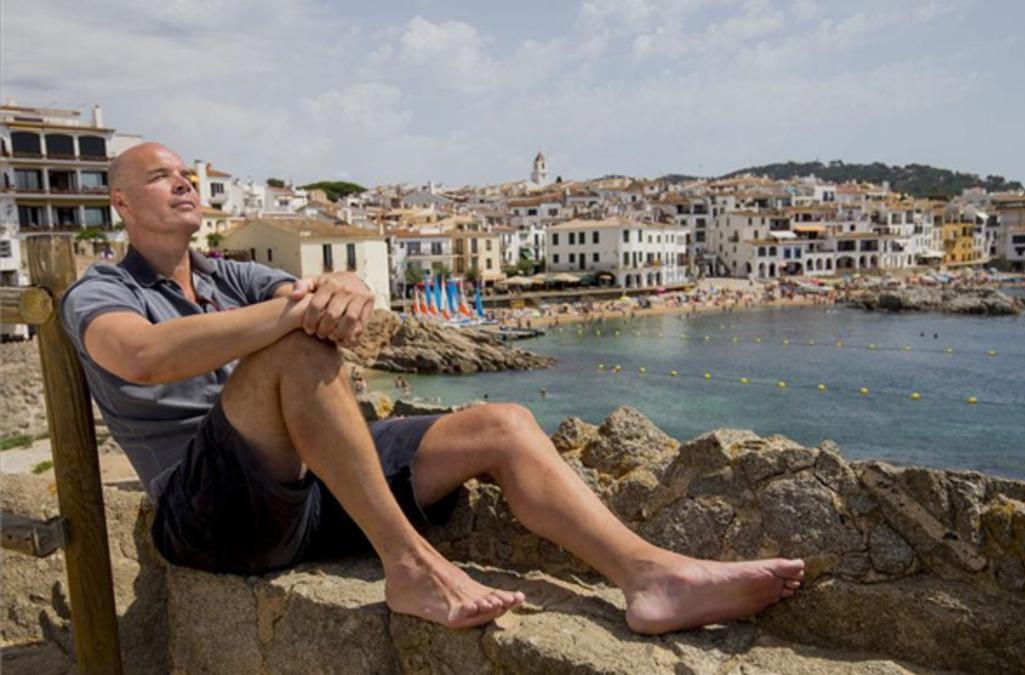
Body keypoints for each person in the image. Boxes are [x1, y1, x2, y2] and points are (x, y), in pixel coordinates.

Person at [61, 143, 804, 634]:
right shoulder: (100, 292)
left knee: (504, 422)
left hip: (310, 492)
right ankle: (409, 566)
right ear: (121, 204)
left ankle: (650, 576)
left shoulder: (231, 274)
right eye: (160, 176)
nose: (183, 181)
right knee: (293, 347)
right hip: (209, 516)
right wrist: (302, 308)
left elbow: (323, 289)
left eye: (186, 172)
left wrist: (346, 285)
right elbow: (148, 357)